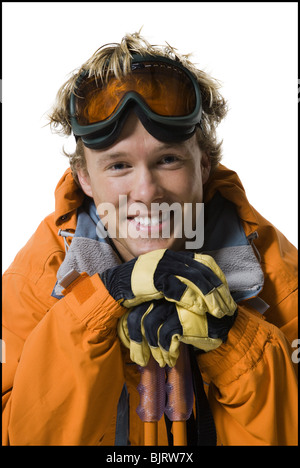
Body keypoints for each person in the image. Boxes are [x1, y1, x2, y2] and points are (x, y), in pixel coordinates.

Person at [2, 31, 298, 446]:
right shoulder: (35, 282)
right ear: (84, 178)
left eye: (168, 159)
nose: (146, 191)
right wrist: (97, 305)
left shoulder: (279, 280)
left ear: (204, 164)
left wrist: (236, 341)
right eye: (119, 165)